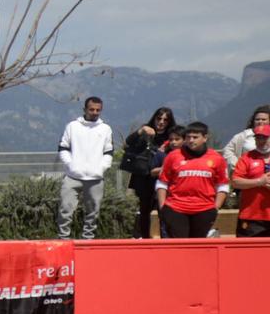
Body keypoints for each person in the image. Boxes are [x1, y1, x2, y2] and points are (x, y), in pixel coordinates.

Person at [157, 122, 229, 239]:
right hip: (175, 208)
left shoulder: (217, 158)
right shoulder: (173, 156)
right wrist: (162, 207)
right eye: (188, 137)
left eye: (195, 137)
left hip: (205, 209)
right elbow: (162, 183)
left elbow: (223, 185)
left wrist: (216, 207)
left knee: (198, 246)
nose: (191, 140)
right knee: (179, 247)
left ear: (205, 138)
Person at [56, 96, 114, 239]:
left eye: (98, 110)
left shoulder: (105, 128)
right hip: (73, 176)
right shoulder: (72, 126)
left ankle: (88, 239)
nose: (95, 112)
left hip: (95, 177)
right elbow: (63, 147)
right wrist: (70, 164)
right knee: (65, 209)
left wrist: (102, 167)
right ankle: (63, 238)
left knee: (93, 211)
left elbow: (108, 151)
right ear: (85, 109)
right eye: (92, 109)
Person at [120, 107, 176, 239]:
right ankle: (144, 238)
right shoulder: (145, 131)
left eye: (165, 120)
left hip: (163, 178)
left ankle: (166, 238)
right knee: (144, 210)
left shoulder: (172, 136)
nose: (161, 122)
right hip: (143, 177)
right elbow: (128, 143)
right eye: (159, 118)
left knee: (164, 210)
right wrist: (141, 131)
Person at [231, 122, 270, 238]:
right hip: (251, 216)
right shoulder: (246, 158)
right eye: (258, 138)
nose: (261, 141)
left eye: (265, 138)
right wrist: (259, 182)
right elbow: (235, 181)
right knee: (247, 253)